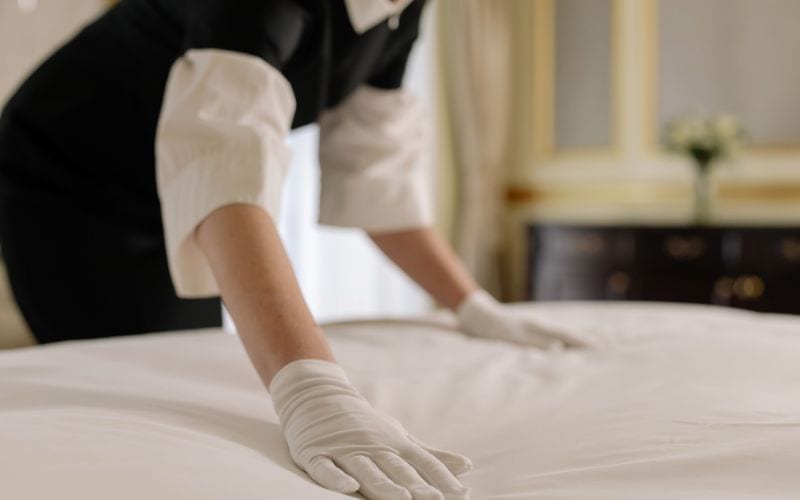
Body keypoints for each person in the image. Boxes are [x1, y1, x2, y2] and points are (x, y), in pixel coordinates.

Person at [0, 0, 587, 498]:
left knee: (177, 369)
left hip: (169, 192)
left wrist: (472, 304)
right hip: (67, 186)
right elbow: (222, 177)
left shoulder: (399, 9)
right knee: (130, 386)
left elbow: (375, 176)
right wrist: (314, 390)